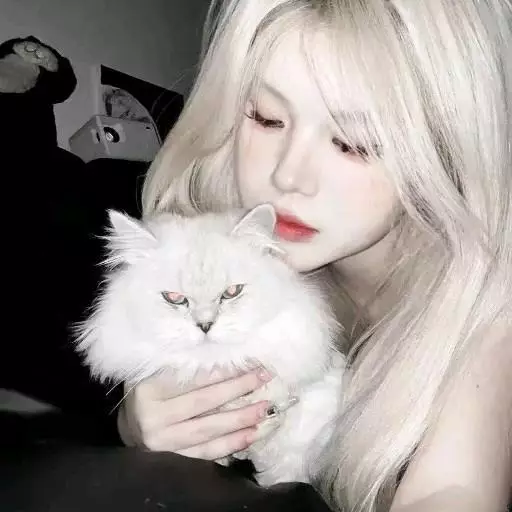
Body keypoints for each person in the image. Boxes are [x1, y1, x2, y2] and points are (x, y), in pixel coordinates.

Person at [116, 1, 512, 511]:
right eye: (267, 118)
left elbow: (452, 491)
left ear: (445, 152)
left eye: (352, 143)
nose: (288, 176)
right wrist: (138, 421)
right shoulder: (214, 236)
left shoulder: (488, 300)